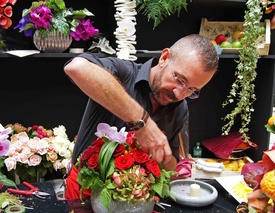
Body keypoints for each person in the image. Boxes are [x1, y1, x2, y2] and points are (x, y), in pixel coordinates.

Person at [63, 34, 219, 199]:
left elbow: (171, 166)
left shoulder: (180, 108)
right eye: (179, 79)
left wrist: (163, 155)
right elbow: (76, 67)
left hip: (136, 199)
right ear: (164, 58)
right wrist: (143, 122)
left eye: (192, 90)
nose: (179, 94)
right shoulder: (125, 74)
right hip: (85, 192)